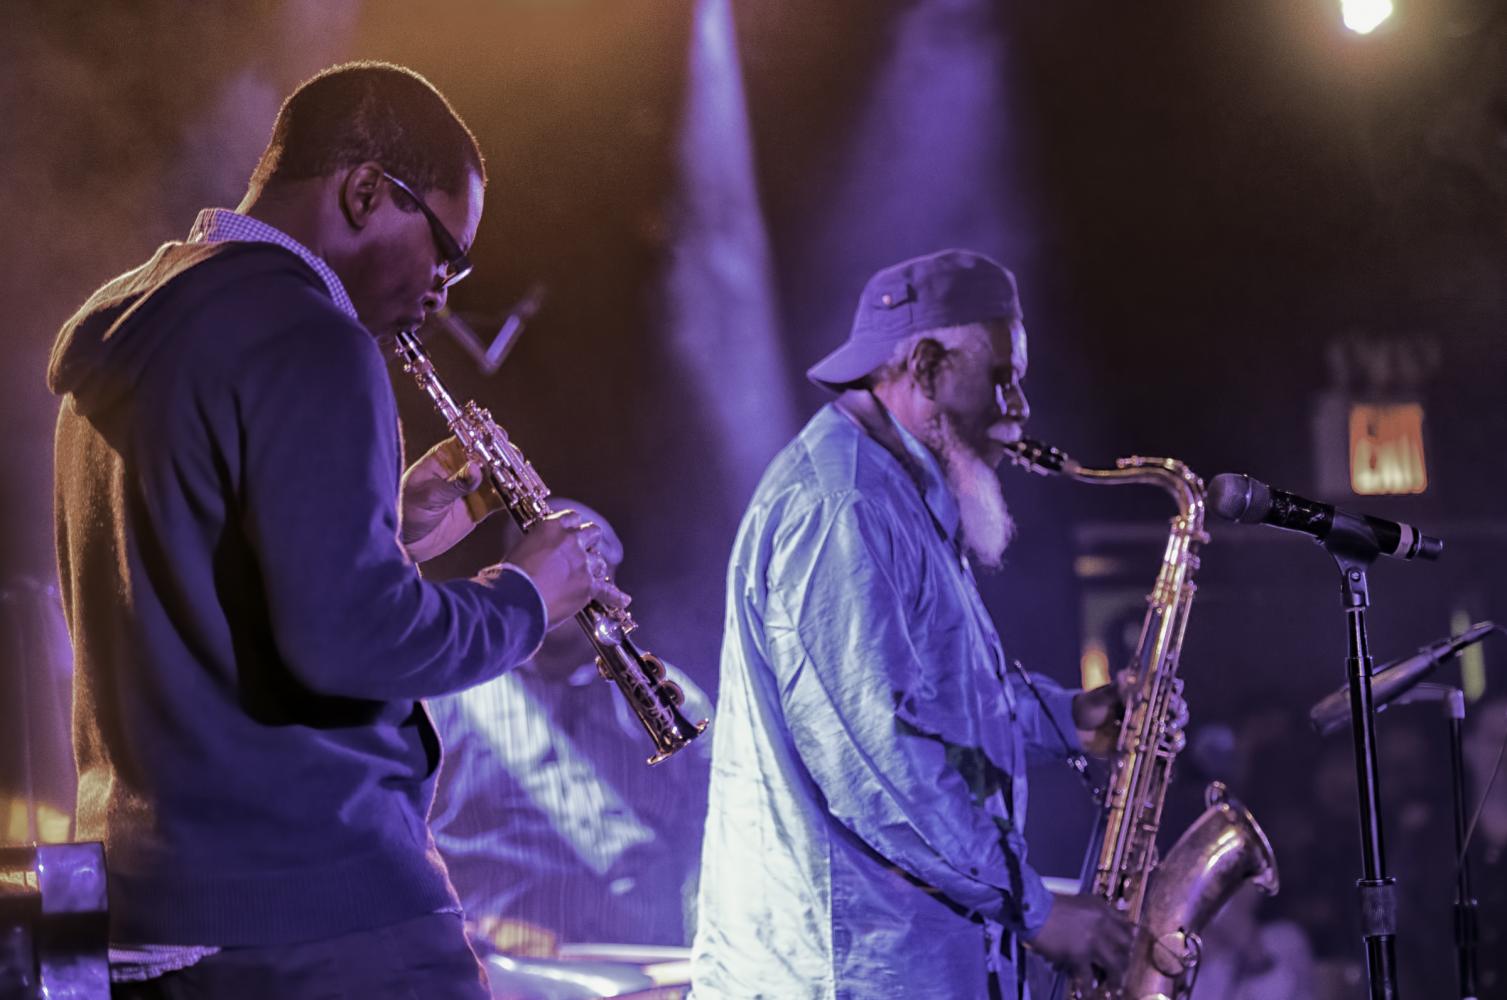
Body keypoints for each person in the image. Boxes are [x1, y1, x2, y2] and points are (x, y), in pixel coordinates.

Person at [47, 62, 621, 999]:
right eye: (445, 250)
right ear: (364, 191)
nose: (442, 288)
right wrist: (527, 594)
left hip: (148, 907)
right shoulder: (314, 338)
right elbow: (352, 639)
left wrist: (383, 530)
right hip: (315, 909)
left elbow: (194, 584)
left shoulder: (134, 321)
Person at [691, 249, 1134, 999]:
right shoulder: (848, 508)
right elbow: (880, 760)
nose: (1020, 406)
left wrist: (1071, 718)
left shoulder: (897, 493)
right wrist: (1037, 911)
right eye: (1001, 375)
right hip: (842, 974)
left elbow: (937, 713)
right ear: (925, 368)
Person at [428, 501, 713, 957]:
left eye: (591, 570)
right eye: (558, 569)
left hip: (645, 970)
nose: (578, 586)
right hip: (498, 974)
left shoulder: (676, 696)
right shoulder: (448, 696)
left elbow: (716, 836)